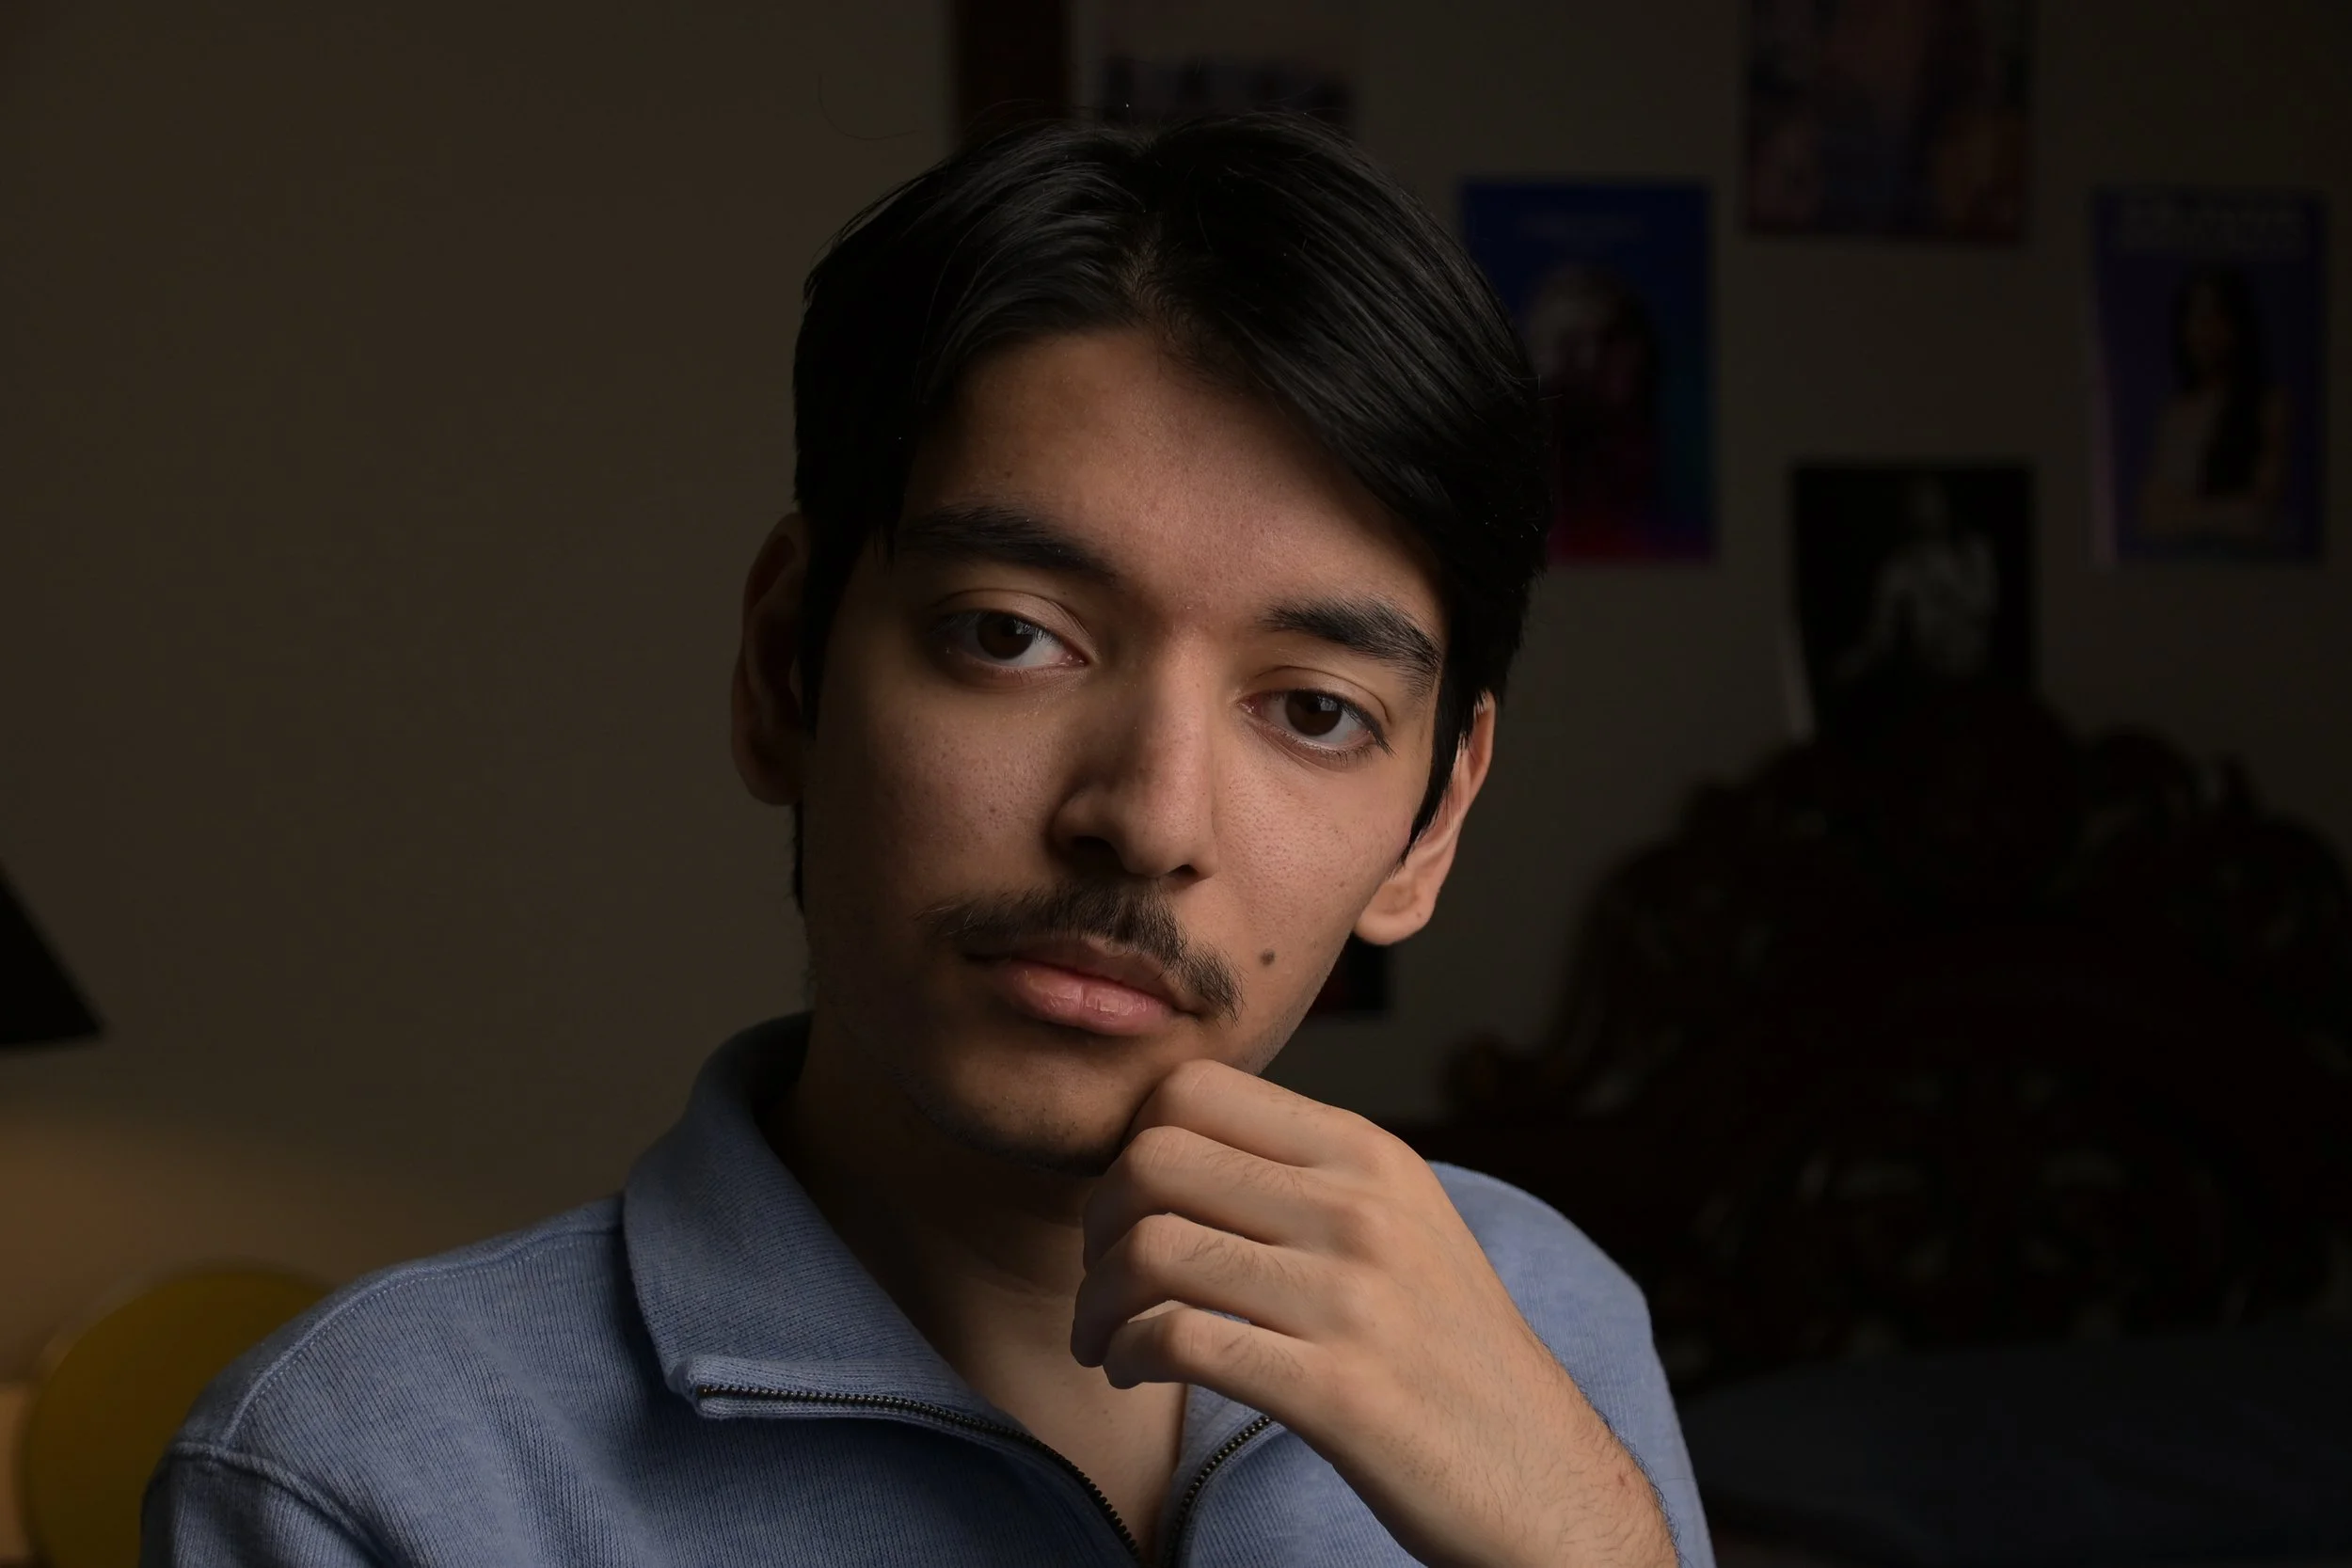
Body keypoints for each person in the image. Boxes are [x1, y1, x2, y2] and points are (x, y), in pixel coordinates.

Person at [145, 115, 1708, 1568]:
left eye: (1311, 711)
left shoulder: (1539, 1319)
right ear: (783, 669)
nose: (1146, 818)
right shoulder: (368, 1474)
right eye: (1013, 636)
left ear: (1434, 822)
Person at [2137, 266, 2292, 545]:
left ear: (2236, 326)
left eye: (2215, 318)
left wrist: (2187, 512)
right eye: (2195, 319)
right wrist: (2221, 513)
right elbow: (2152, 515)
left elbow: (2259, 514)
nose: (2204, 333)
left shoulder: (2268, 405)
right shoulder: (2175, 413)